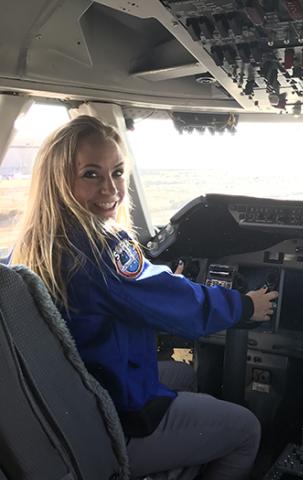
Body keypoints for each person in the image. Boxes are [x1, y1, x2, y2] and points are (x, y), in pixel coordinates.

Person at [11, 115, 279, 479]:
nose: (111, 189)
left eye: (118, 173)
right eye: (91, 174)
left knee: (183, 375)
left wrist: (162, 284)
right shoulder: (99, 247)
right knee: (246, 429)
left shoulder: (34, 246)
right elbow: (184, 307)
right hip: (113, 424)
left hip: (74, 401)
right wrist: (247, 306)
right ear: (58, 182)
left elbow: (134, 290)